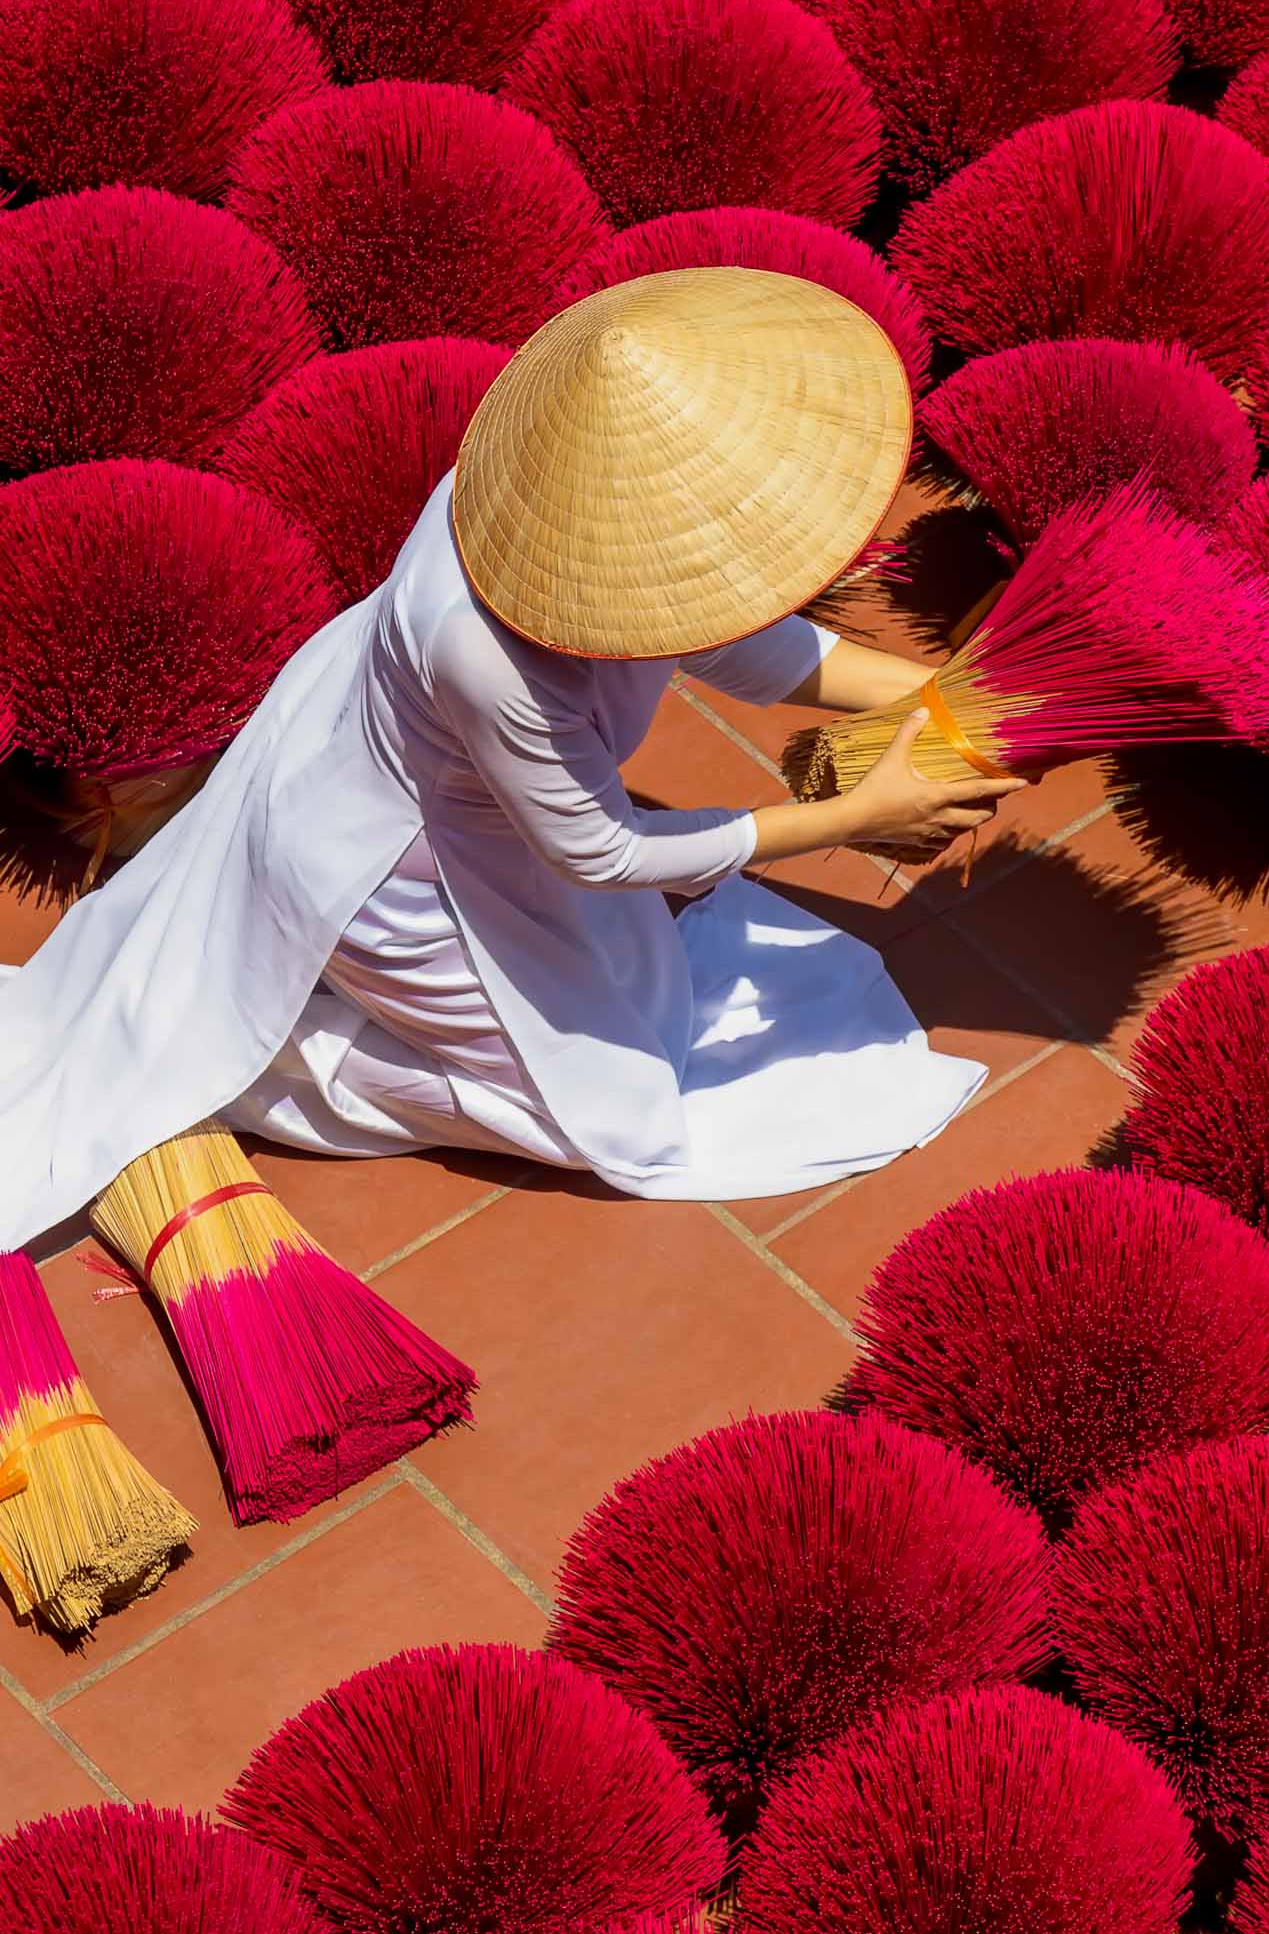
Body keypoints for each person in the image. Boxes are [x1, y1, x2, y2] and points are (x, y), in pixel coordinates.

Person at [0, 270, 1021, 1251]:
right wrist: (853, 816)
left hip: (473, 811)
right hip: (391, 863)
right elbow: (602, 853)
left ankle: (264, 1003)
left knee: (639, 1012)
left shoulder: (552, 496)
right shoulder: (483, 651)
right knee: (602, 1122)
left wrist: (931, 694)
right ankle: (267, 1060)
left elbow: (717, 628)